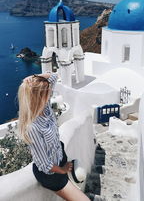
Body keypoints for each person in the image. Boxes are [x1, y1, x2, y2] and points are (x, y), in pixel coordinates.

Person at [18, 72, 90, 201]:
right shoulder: (33, 127)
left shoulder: (45, 108)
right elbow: (44, 165)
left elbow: (54, 76)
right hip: (51, 174)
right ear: (38, 97)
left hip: (60, 158)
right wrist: (62, 170)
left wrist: (33, 77)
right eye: (48, 92)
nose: (51, 93)